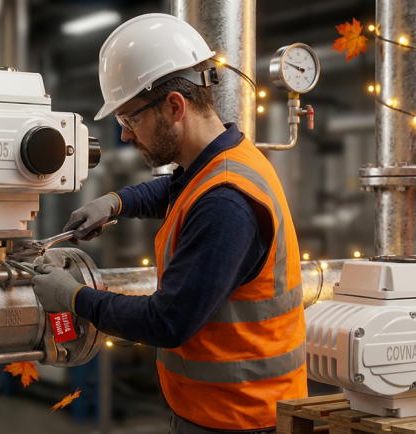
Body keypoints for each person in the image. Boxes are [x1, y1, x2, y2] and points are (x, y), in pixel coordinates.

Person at [30, 13, 306, 434]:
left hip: (241, 418)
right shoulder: (223, 160)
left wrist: (74, 297)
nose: (125, 135)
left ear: (175, 107)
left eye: (130, 119)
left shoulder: (226, 204)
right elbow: (175, 188)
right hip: (220, 411)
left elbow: (167, 322)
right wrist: (116, 202)